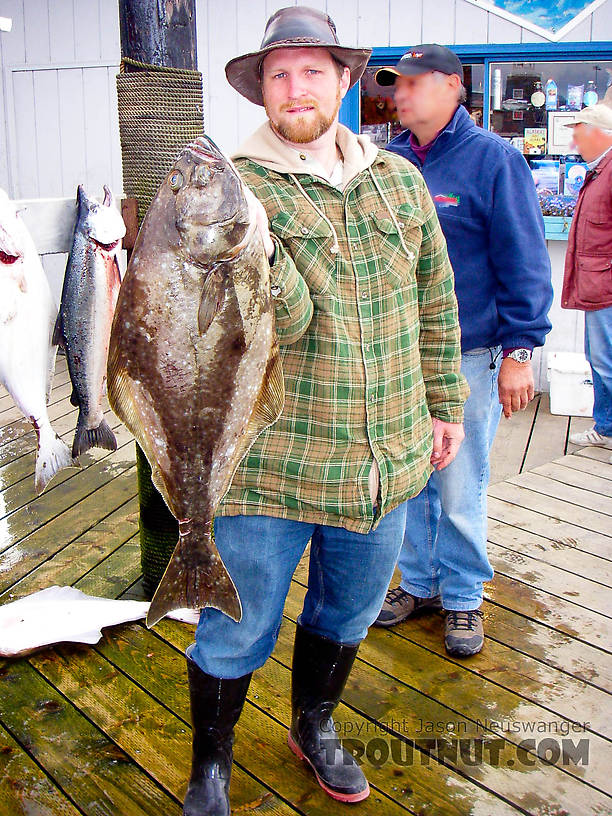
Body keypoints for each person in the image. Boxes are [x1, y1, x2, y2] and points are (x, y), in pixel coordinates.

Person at [181, 10, 468, 816]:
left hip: (385, 460)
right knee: (236, 628)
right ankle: (211, 764)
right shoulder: (225, 189)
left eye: (312, 71)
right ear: (260, 91)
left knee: (345, 612)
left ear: (345, 82)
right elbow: (242, 330)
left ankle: (313, 726)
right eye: (279, 74)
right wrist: (256, 251)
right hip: (267, 462)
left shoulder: (399, 180)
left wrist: (444, 404)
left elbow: (435, 301)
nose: (295, 87)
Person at [373, 46, 553, 657]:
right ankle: (419, 583)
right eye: (396, 84)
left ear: (454, 86)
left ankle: (464, 595)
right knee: (411, 478)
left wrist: (521, 351)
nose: (401, 93)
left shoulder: (494, 160)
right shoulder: (387, 162)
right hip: (401, 356)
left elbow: (524, 259)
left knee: (460, 480)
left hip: (471, 353)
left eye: (415, 83)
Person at [563, 92, 612, 453]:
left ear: (600, 133)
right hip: (598, 286)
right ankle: (606, 427)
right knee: (600, 360)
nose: (573, 142)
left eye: (578, 133)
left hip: (606, 288)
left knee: (606, 362)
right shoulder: (601, 170)